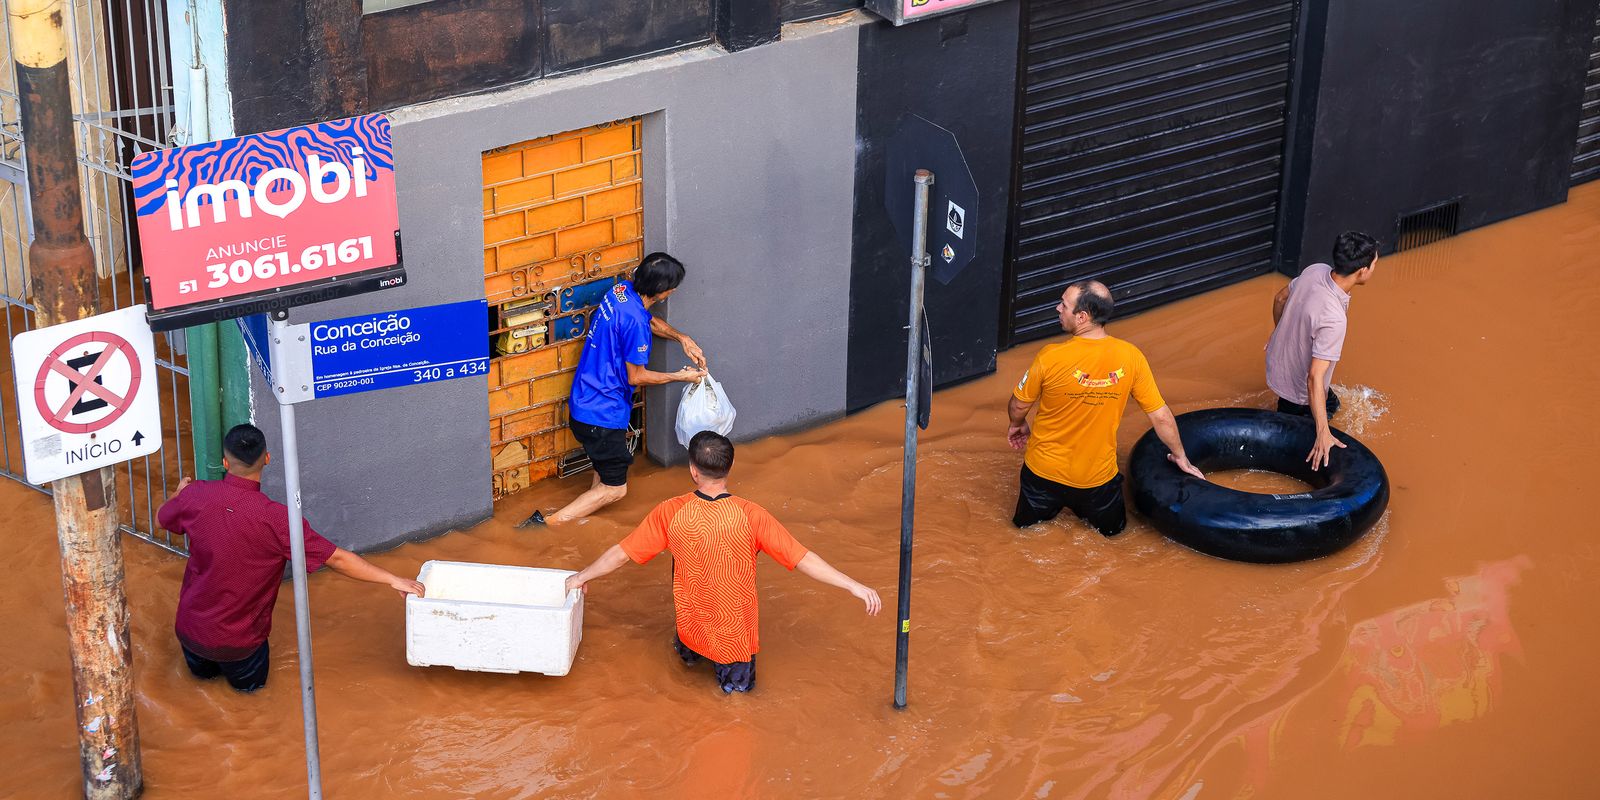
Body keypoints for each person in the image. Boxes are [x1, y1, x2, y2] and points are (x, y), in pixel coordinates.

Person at [563, 431, 881, 693]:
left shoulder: (670, 512)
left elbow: (621, 554)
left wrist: (580, 577)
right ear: (729, 469)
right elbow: (802, 559)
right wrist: (853, 585)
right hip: (734, 638)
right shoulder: (751, 516)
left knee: (684, 673)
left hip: (690, 626)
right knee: (736, 706)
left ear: (693, 470)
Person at [156, 424, 424, 693]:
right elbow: (338, 559)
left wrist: (179, 493)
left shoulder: (195, 495)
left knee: (200, 691)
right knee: (250, 703)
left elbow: (161, 518)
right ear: (267, 459)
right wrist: (392, 579)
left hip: (191, 633)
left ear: (225, 462)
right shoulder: (278, 520)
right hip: (241, 644)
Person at [521, 252, 708, 527]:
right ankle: (545, 525)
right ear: (663, 292)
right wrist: (681, 377)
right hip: (603, 415)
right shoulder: (636, 326)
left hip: (584, 402)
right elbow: (636, 376)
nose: (674, 290)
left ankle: (582, 518)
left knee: (603, 478)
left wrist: (682, 338)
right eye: (673, 287)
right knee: (615, 489)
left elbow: (646, 318)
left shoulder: (620, 292)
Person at [1007, 280, 1205, 536]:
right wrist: (1180, 456)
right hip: (1097, 483)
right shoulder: (1131, 357)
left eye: (1063, 305)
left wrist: (1016, 424)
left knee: (1023, 536)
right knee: (1114, 538)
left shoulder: (1049, 357)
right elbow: (1160, 416)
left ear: (1082, 317)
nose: (1057, 309)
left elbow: (1019, 403)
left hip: (1042, 476)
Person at [1266, 231, 1379, 470]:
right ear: (1362, 271)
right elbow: (1314, 377)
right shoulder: (1334, 319)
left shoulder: (1315, 270)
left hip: (1276, 362)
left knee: (1331, 403)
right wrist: (1323, 433)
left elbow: (1279, 299)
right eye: (1375, 263)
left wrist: (1282, 335)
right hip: (1295, 389)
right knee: (1299, 427)